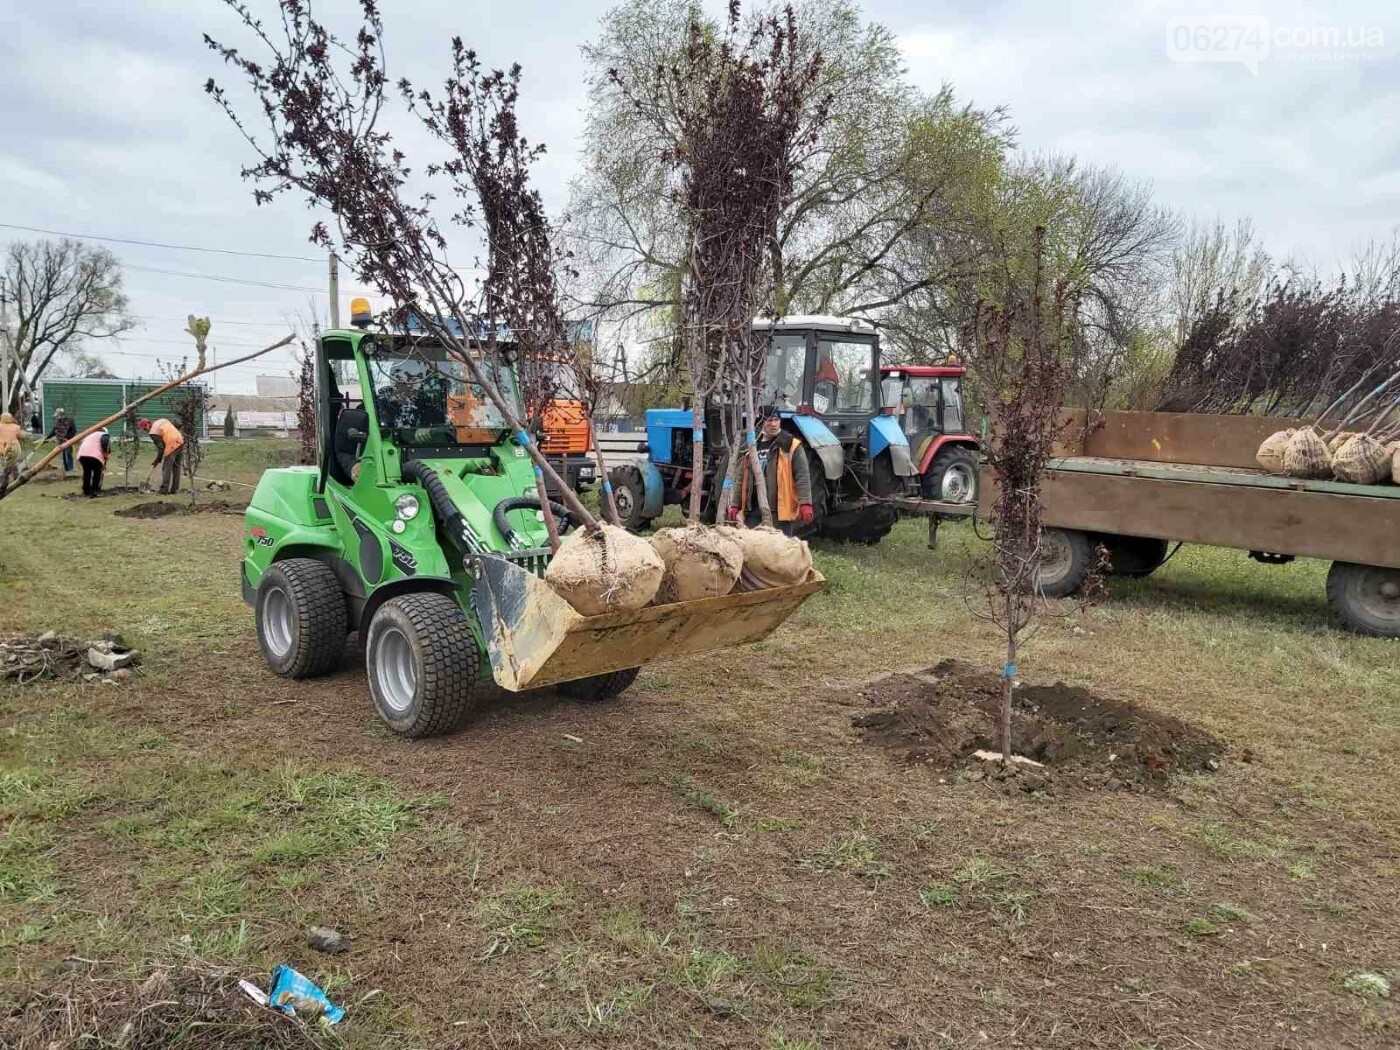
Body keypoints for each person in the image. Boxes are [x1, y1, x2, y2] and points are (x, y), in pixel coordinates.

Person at [728, 407, 814, 537]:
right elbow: (742, 479)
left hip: (779, 513)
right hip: (754, 512)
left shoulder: (790, 445)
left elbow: (802, 476)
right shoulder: (751, 448)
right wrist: (735, 504)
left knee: (780, 552)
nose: (773, 424)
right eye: (769, 420)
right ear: (760, 423)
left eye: (776, 420)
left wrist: (805, 503)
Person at [139, 417, 185, 495]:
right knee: (176, 467)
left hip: (171, 443)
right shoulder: (161, 421)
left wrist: (157, 460)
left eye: (144, 428)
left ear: (147, 424)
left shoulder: (153, 432)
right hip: (180, 439)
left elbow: (161, 448)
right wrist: (158, 459)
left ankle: (164, 490)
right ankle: (175, 489)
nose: (145, 430)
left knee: (166, 468)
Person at [77, 427, 112, 497]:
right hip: (94, 455)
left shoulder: (90, 435)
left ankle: (86, 490)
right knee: (97, 473)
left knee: (87, 472)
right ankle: (94, 490)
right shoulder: (104, 435)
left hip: (83, 455)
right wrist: (106, 453)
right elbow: (105, 443)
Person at [46, 407, 76, 475]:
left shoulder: (70, 421)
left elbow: (74, 430)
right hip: (60, 441)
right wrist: (46, 439)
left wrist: (69, 438)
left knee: (68, 454)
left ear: (61, 414)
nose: (57, 417)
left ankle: (70, 469)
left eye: (58, 415)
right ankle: (66, 469)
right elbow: (53, 432)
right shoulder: (58, 422)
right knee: (62, 455)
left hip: (68, 440)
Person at [0, 411, 23, 495]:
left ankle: (3, 483)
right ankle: (17, 479)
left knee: (3, 466)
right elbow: (20, 437)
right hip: (13, 450)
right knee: (14, 465)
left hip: (2, 449)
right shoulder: (16, 427)